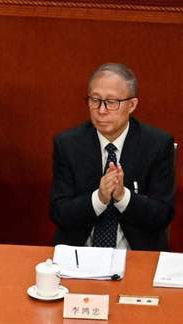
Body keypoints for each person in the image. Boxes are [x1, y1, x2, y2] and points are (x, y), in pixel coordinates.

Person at [50, 63, 175, 251]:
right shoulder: (68, 144)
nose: (101, 110)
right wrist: (99, 198)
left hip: (137, 256)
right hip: (81, 256)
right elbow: (59, 212)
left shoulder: (157, 145)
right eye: (95, 100)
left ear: (132, 105)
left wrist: (123, 197)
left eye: (111, 102)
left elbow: (162, 214)